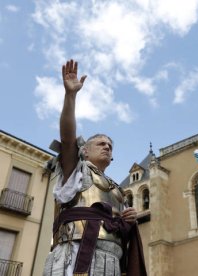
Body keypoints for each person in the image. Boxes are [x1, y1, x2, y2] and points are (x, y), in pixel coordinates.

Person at [43, 60, 146, 276]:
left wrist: (128, 219)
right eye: (101, 144)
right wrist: (70, 96)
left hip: (112, 259)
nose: (107, 147)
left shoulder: (117, 189)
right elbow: (67, 137)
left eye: (110, 146)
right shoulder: (77, 170)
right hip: (77, 252)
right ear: (85, 151)